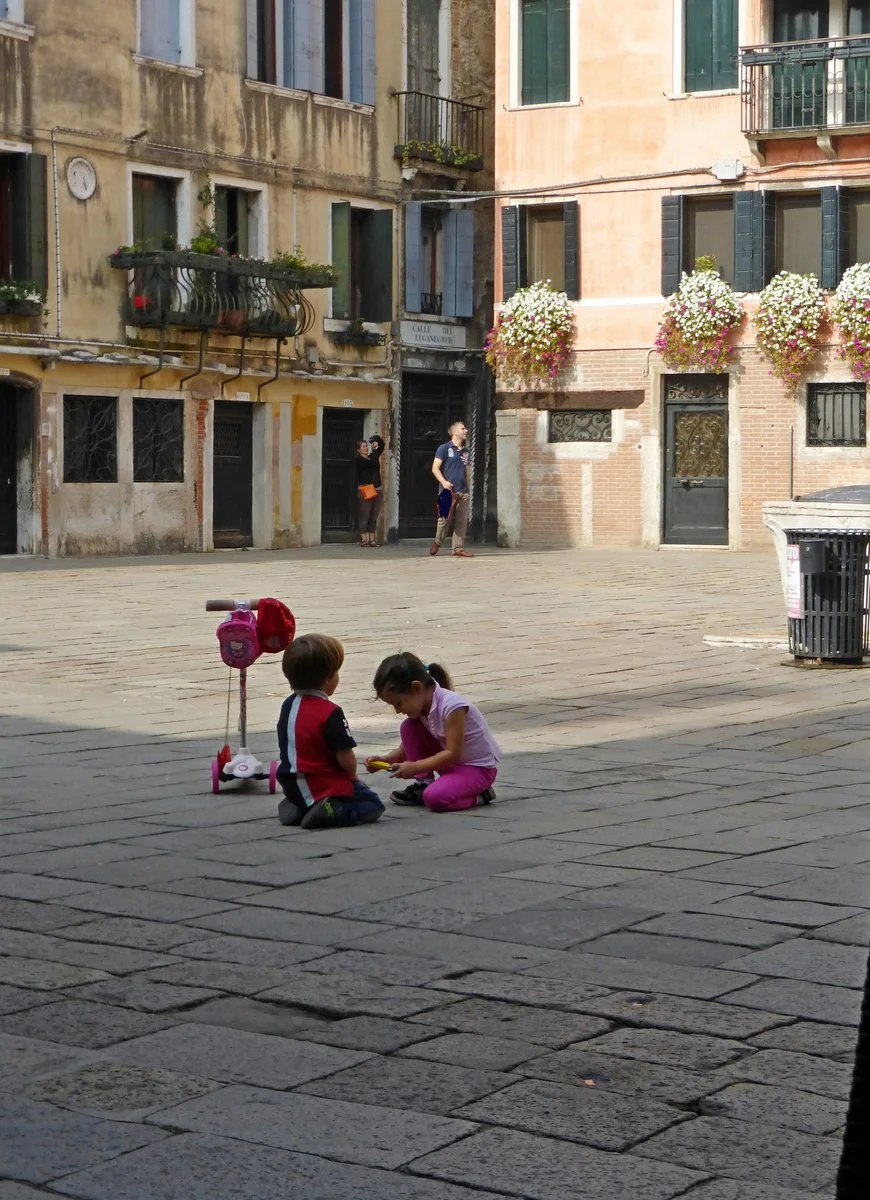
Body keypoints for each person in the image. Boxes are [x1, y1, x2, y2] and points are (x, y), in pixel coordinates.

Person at [276, 633, 384, 831]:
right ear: (327, 680)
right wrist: (352, 777)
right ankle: (331, 811)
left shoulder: (288, 705)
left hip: (290, 782)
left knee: (304, 795)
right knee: (372, 805)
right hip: (322, 782)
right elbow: (346, 757)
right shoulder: (330, 712)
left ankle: (297, 805)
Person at [366, 652, 499, 812]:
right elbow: (405, 749)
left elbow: (453, 753)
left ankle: (482, 795)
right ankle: (424, 783)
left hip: (476, 769)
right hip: (450, 764)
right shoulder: (422, 708)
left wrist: (415, 767)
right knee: (408, 726)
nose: (398, 710)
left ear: (416, 687)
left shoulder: (453, 707)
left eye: (399, 703)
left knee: (434, 799)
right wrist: (385, 760)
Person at [430, 420, 473, 558]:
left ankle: (458, 548)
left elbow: (467, 470)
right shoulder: (444, 448)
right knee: (444, 518)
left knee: (461, 520)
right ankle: (438, 541)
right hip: (448, 490)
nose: (465, 431)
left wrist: (468, 485)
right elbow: (435, 468)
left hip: (463, 491)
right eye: (462, 429)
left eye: (465, 429)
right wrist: (444, 482)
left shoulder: (466, 452)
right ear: (454, 432)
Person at [354, 434, 385, 547]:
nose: (366, 448)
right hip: (365, 489)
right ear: (358, 450)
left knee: (374, 515)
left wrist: (376, 439)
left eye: (366, 446)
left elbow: (382, 445)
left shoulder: (373, 456)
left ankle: (372, 539)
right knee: (365, 515)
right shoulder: (359, 460)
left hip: (377, 489)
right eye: (363, 446)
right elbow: (370, 463)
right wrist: (374, 453)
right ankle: (364, 539)